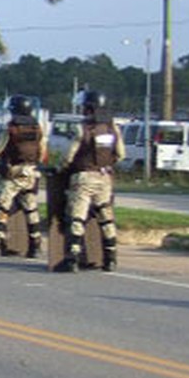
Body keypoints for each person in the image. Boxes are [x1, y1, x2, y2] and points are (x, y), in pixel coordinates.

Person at [62, 90, 125, 272]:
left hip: (84, 177)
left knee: (77, 217)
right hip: (104, 178)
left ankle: (72, 258)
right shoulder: (113, 127)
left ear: (89, 107)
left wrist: (62, 167)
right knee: (106, 218)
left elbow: (69, 155)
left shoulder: (83, 128)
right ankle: (110, 258)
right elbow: (121, 155)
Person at [0, 95, 47, 258]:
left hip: (13, 173)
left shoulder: (10, 128)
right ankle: (35, 246)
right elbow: (43, 152)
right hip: (31, 171)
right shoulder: (37, 127)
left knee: (2, 206)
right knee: (31, 208)